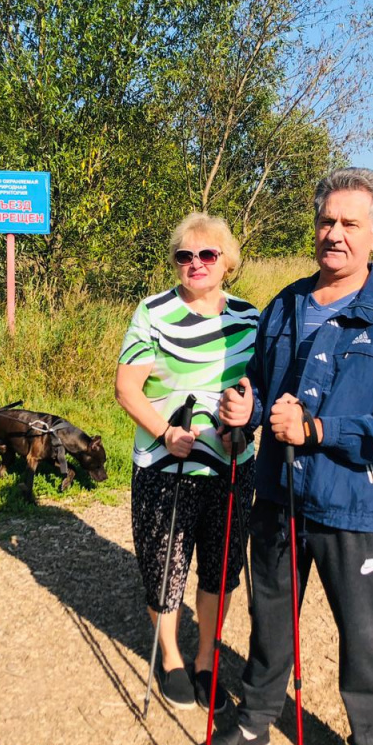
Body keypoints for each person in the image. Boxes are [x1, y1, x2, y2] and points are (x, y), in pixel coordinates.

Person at [194, 168, 373, 745]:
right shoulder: (287, 305)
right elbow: (263, 388)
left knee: (365, 640)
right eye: (327, 221)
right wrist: (243, 408)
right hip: (278, 496)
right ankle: (257, 722)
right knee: (271, 622)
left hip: (355, 510)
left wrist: (318, 429)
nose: (334, 234)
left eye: (350, 224)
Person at [115, 214, 259, 711]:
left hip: (231, 466)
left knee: (219, 572)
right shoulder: (152, 312)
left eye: (207, 255)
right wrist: (165, 432)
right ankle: (173, 660)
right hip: (164, 465)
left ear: (227, 261)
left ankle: (206, 659)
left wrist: (246, 422)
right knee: (164, 570)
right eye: (185, 255)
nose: (195, 264)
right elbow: (127, 388)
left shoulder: (250, 318)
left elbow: (256, 390)